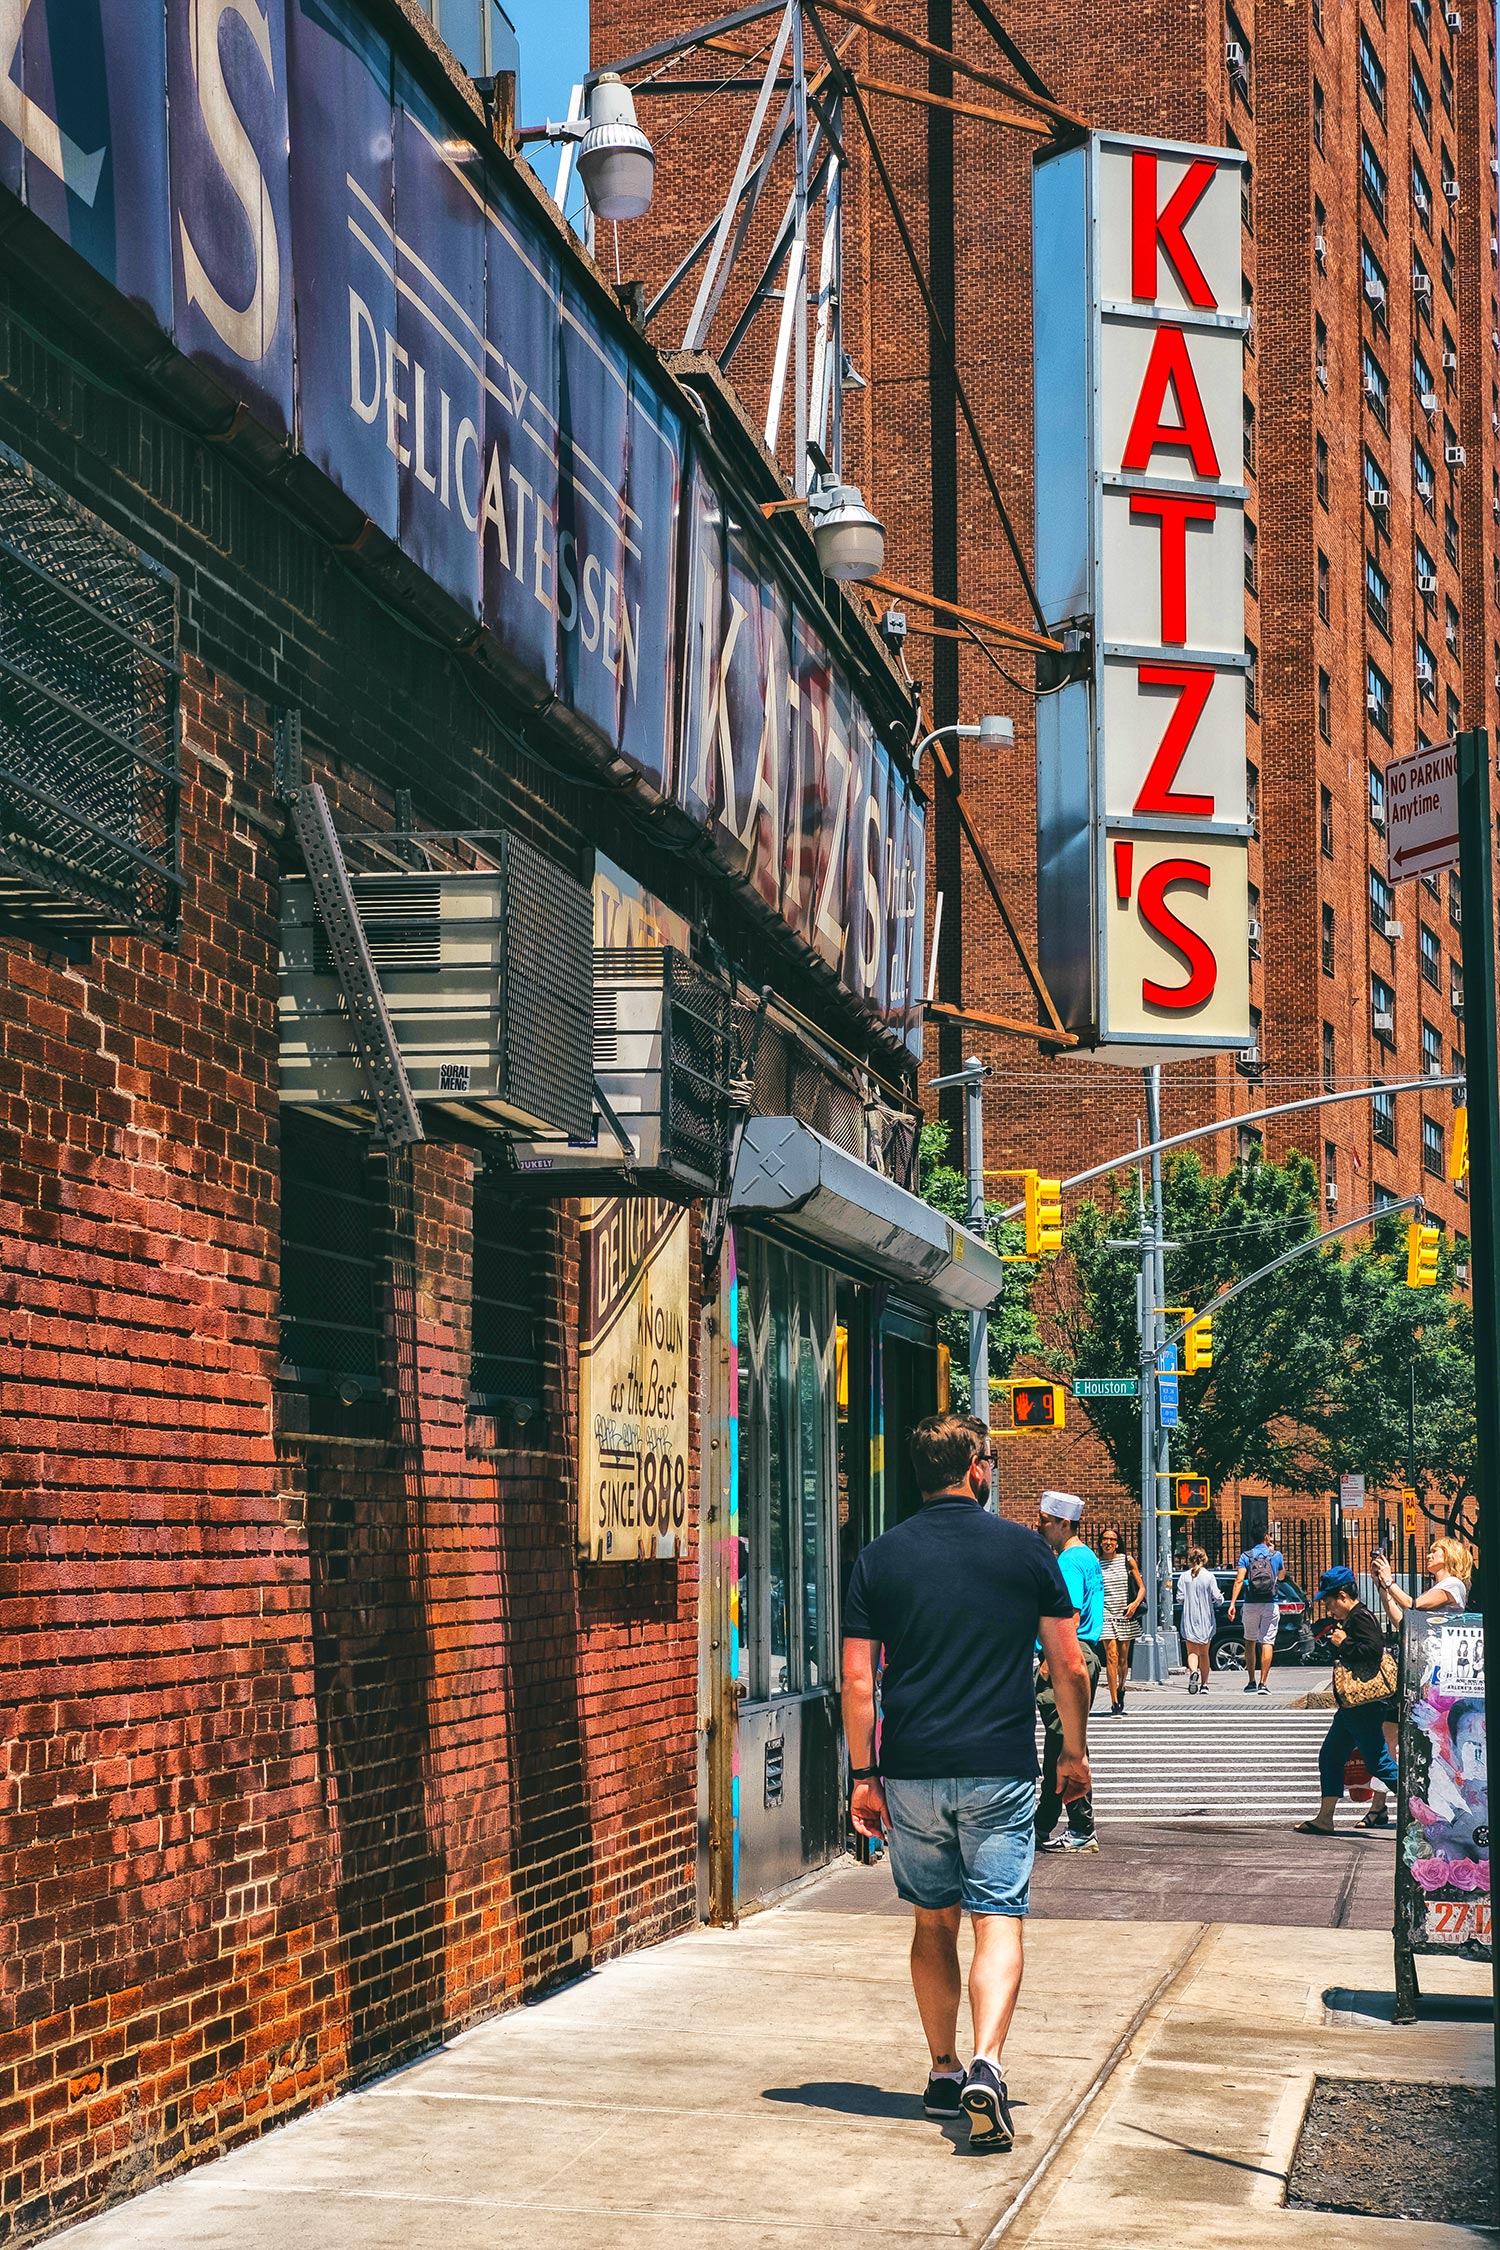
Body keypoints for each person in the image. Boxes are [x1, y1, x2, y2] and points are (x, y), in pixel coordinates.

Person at [842, 1415, 1091, 2153]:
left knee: (932, 1923)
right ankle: (988, 2061)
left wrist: (863, 1775)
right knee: (999, 1919)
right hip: (1001, 1766)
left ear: (916, 1473)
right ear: (976, 1470)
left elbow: (859, 1679)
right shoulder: (1025, 1551)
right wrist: (1073, 1754)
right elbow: (1070, 1663)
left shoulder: (879, 1558)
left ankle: (944, 2069)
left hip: (913, 1768)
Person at [1360, 1535, 1475, 1826]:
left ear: (1448, 1556)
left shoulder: (1453, 1586)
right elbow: (1403, 1621)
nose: (1428, 1555)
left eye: (1434, 1551)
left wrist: (1390, 1581)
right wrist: (1383, 1589)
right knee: (1389, 1734)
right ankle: (1378, 1806)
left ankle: (1442, 1810)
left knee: (1434, 1744)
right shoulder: (1437, 1588)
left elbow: (1414, 1604)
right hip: (1419, 1673)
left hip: (1438, 1679)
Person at [1293, 1566, 1399, 1835]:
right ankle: (1325, 1818)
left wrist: (1343, 1643)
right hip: (1352, 1705)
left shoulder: (1360, 1617)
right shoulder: (1352, 1618)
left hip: (1363, 1705)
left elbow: (1372, 1650)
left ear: (1342, 1595)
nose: (1328, 1609)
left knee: (1378, 1762)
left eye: (1328, 1602)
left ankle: (1425, 1807)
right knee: (1330, 1756)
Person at [1035, 1491, 1106, 1854]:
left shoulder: (1069, 1562)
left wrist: (1051, 1661)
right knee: (1058, 1743)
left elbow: (1070, 1615)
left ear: (1064, 1523)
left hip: (1069, 1653)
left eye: (1045, 1520)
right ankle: (1043, 1823)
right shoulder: (1089, 1557)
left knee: (1067, 1742)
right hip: (1083, 1652)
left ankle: (1081, 1825)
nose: (1039, 1525)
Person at [1226, 1531, 1285, 1694]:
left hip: (1251, 1603)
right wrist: (1274, 1553)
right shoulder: (1276, 1555)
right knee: (1267, 1642)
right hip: (1270, 1603)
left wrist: (1232, 1603)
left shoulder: (1246, 1556)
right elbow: (1281, 1577)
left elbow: (1239, 1580)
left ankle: (1251, 1681)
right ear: (1266, 1538)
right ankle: (1263, 1683)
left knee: (1249, 1641)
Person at [1097, 1525, 1145, 1715]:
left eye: (1112, 1540)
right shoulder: (1096, 1563)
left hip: (1125, 1614)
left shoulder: (1127, 1560)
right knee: (1111, 1656)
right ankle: (1114, 1701)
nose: (1108, 1542)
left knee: (1123, 1660)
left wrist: (1134, 1604)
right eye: (1105, 1539)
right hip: (1106, 1614)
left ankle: (1121, 1687)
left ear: (1117, 1544)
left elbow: (1142, 1588)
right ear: (1101, 1543)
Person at [1176, 1546, 1224, 1695]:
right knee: (1204, 1653)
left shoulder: (1184, 1577)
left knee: (1192, 1651)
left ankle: (1192, 1673)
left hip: (1189, 1616)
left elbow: (1180, 1598)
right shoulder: (1209, 1576)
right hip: (1205, 1617)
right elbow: (1217, 1598)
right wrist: (1219, 1598)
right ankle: (1204, 1684)